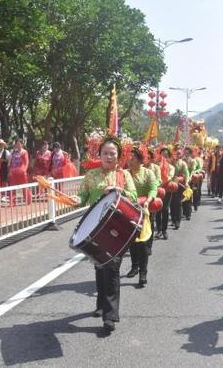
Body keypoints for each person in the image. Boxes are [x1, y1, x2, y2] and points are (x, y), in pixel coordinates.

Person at [70, 136, 137, 333]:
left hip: (116, 227)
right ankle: (100, 304)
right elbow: (82, 197)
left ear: (118, 156)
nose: (108, 156)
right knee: (99, 266)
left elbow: (133, 196)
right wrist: (75, 198)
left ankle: (110, 316)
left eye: (112, 153)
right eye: (105, 153)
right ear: (98, 155)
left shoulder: (124, 175)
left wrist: (119, 189)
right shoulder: (91, 175)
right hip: (95, 228)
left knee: (112, 268)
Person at [126, 148, 156, 286]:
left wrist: (147, 201)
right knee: (132, 241)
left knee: (143, 243)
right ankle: (134, 266)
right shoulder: (125, 174)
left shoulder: (148, 173)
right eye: (128, 158)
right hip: (129, 210)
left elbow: (153, 188)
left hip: (144, 209)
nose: (129, 161)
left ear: (139, 160)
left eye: (132, 159)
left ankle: (143, 272)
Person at [155, 147, 175, 240]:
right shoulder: (156, 166)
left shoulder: (171, 167)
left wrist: (161, 183)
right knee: (157, 210)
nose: (164, 157)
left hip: (166, 191)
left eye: (166, 155)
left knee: (165, 210)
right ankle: (159, 230)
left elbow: (170, 177)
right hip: (157, 190)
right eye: (162, 155)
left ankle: (164, 230)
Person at [8, 138, 31, 205]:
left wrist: (24, 170)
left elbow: (26, 162)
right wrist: (10, 171)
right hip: (13, 172)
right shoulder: (13, 152)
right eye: (16, 144)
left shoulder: (24, 152)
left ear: (22, 144)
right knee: (12, 187)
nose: (17, 145)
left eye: (19, 144)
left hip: (21, 172)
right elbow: (10, 163)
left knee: (24, 186)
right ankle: (12, 202)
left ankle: (28, 200)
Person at [170, 149, 189, 228]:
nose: (177, 155)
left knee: (178, 203)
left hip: (179, 185)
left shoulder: (183, 163)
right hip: (170, 185)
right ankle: (173, 220)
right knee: (171, 204)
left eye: (179, 154)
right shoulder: (170, 162)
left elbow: (186, 174)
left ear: (181, 154)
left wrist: (186, 181)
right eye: (176, 153)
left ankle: (178, 220)